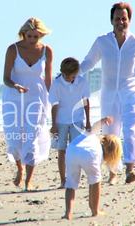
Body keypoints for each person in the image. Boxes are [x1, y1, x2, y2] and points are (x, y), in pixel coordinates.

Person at [79, 2, 135, 184]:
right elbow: (89, 62)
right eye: (117, 19)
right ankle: (113, 173)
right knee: (110, 133)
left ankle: (130, 169)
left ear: (129, 20)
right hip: (108, 94)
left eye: (124, 19)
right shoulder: (102, 42)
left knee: (132, 129)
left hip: (131, 93)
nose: (120, 22)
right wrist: (72, 74)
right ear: (111, 20)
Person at [2, 17, 53, 191]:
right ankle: (19, 169)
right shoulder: (13, 49)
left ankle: (29, 180)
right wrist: (15, 85)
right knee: (14, 137)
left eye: (36, 37)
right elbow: (6, 78)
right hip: (14, 98)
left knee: (32, 138)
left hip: (37, 98)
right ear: (24, 33)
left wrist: (54, 101)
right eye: (29, 36)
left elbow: (48, 80)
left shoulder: (47, 51)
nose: (32, 40)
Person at [63, 117, 122, 220]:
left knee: (71, 183)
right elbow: (93, 183)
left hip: (71, 150)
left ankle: (68, 213)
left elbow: (95, 125)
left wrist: (103, 121)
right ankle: (95, 210)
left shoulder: (92, 135)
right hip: (90, 153)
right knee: (95, 181)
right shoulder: (98, 150)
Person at [49, 57, 91, 189]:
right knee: (62, 151)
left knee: (76, 151)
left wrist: (88, 121)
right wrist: (54, 124)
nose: (72, 79)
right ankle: (63, 180)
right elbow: (54, 105)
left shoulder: (82, 81)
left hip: (77, 120)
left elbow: (85, 101)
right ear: (63, 73)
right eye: (70, 76)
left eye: (74, 76)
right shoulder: (56, 83)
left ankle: (74, 180)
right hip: (61, 121)